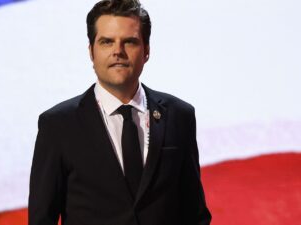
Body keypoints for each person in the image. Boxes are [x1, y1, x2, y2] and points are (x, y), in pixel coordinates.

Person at [28, 0, 212, 224]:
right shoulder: (57, 125)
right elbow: (41, 219)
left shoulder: (179, 115)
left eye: (130, 42)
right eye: (106, 42)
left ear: (146, 51)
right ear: (91, 52)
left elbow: (194, 214)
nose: (118, 51)